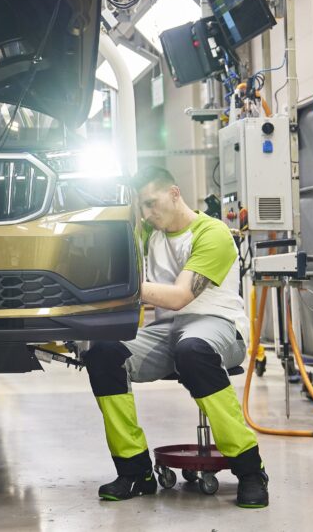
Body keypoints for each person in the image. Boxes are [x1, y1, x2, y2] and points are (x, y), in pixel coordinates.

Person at [82, 166, 269, 508]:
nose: (146, 214)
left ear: (174, 193)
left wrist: (117, 285)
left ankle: (250, 470)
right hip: (169, 332)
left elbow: (180, 297)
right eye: (141, 207)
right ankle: (135, 471)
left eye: (151, 203)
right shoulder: (152, 236)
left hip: (219, 326)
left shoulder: (211, 233)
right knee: (103, 352)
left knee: (192, 351)